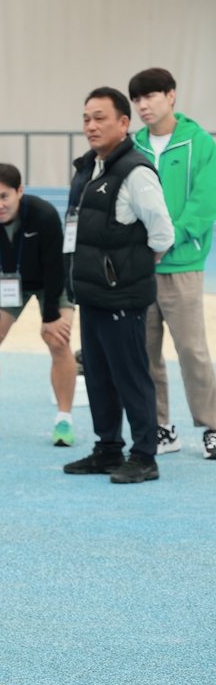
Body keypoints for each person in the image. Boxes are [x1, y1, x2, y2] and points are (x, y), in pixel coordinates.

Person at [62, 88, 174, 484]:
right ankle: (107, 449)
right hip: (91, 295)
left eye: (100, 118)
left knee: (132, 377)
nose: (90, 126)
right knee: (98, 376)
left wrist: (130, 268)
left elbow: (162, 232)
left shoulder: (136, 172)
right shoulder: (87, 169)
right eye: (86, 118)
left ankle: (145, 456)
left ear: (124, 124)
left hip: (122, 296)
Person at [128, 68, 216, 459]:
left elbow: (204, 203)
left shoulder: (200, 143)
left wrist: (169, 239)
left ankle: (213, 426)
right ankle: (161, 426)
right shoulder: (132, 147)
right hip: (141, 270)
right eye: (137, 100)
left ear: (171, 95)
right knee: (145, 354)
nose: (143, 106)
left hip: (181, 265)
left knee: (193, 351)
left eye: (150, 97)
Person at [0, 163, 76, 445]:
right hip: (10, 282)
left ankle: (64, 421)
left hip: (52, 281)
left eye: (4, 196)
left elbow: (54, 267)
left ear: (19, 192)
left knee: (57, 339)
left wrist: (50, 316)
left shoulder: (43, 214)